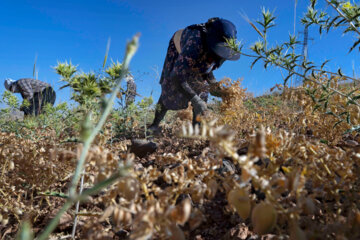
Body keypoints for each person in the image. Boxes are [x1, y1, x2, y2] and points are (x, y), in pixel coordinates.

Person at [149, 17, 240, 131]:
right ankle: (154, 125)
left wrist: (213, 85)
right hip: (178, 47)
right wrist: (194, 99)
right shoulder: (195, 42)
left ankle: (196, 131)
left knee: (202, 90)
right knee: (169, 88)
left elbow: (207, 66)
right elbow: (177, 76)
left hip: (200, 51)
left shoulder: (221, 50)